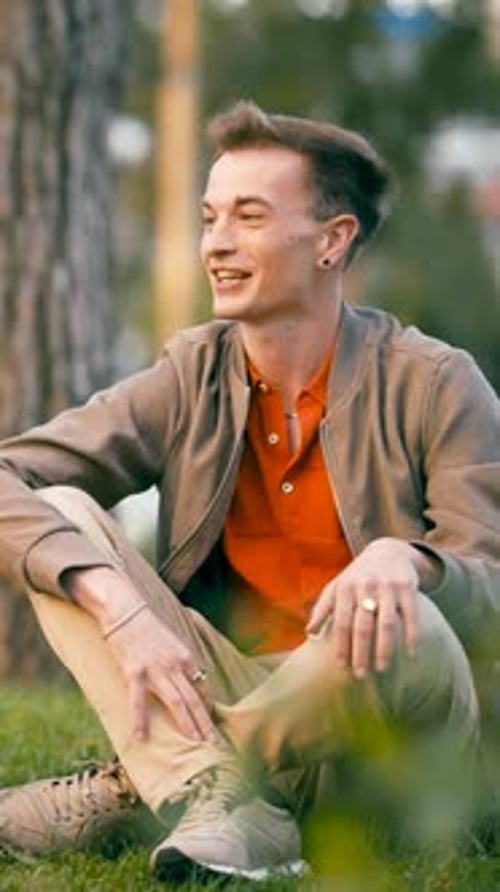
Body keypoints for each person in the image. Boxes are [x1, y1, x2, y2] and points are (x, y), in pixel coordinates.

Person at [0, 99, 498, 884]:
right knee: (59, 517)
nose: (217, 244)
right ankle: (225, 799)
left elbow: (491, 586)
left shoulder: (437, 383)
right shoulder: (190, 374)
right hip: (234, 678)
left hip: (387, 736)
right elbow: (9, 479)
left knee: (405, 618)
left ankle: (162, 783)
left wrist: (412, 562)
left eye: (250, 217)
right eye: (209, 218)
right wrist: (119, 607)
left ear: (333, 242)